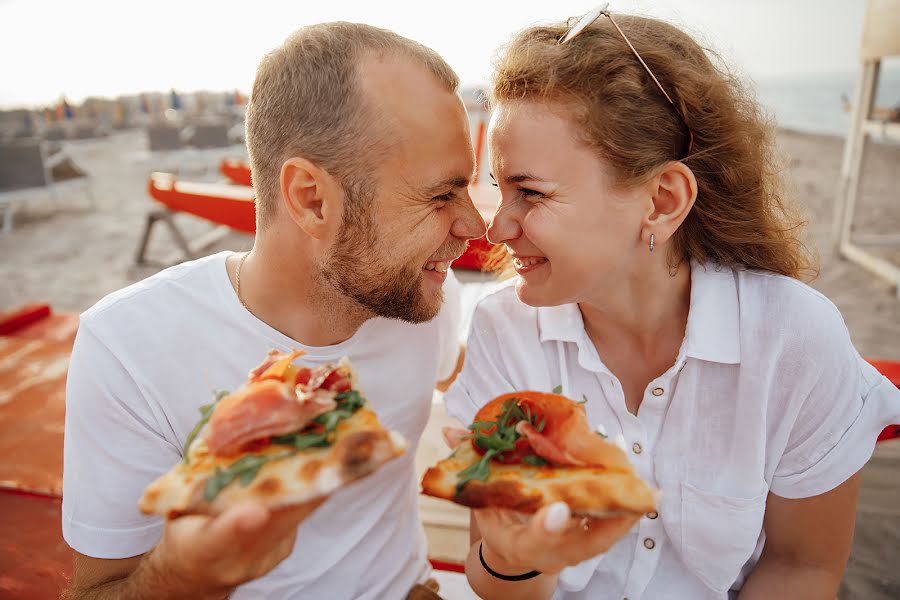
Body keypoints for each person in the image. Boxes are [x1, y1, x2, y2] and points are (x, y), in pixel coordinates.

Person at [443, 7, 900, 600]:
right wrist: (513, 554)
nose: (497, 227)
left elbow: (801, 567)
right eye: (499, 188)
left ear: (661, 200)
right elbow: (497, 581)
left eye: (529, 192)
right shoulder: (502, 328)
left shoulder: (795, 338)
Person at [62, 22, 485, 600]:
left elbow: (460, 380)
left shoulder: (424, 299)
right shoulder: (128, 345)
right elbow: (95, 591)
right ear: (312, 199)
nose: (474, 226)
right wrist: (187, 576)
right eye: (440, 195)